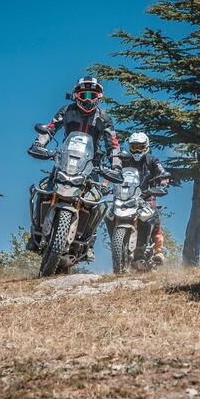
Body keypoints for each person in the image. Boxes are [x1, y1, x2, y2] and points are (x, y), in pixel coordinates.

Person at [28, 77, 121, 261]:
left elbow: (114, 145)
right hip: (64, 160)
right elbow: (50, 129)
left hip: (91, 165)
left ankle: (89, 242)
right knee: (43, 189)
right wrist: (39, 143)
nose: (87, 98)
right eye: (83, 94)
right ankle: (36, 233)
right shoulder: (67, 111)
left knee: (96, 199)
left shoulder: (104, 119)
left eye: (91, 95)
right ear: (76, 95)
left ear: (98, 97)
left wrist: (116, 165)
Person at [121, 132, 170, 264]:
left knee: (154, 217)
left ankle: (159, 250)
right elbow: (114, 171)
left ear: (146, 147)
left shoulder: (152, 160)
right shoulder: (124, 159)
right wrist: (105, 183)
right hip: (126, 195)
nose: (137, 150)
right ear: (129, 147)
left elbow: (162, 171)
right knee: (109, 213)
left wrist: (164, 180)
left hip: (147, 196)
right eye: (134, 146)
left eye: (140, 147)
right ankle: (119, 248)